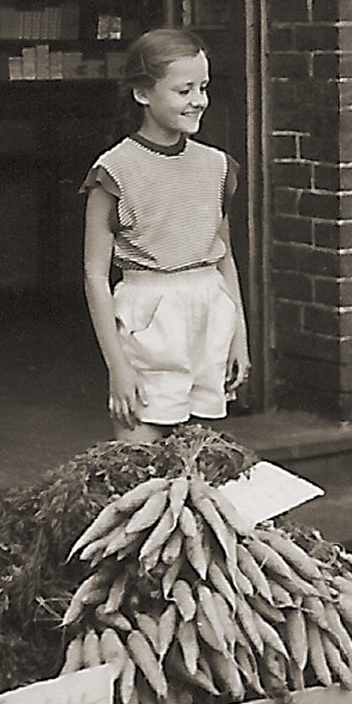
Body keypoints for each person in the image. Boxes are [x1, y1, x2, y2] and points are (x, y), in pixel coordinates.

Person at [82, 27, 250, 439]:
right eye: (183, 90)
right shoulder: (115, 170)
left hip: (209, 314)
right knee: (139, 456)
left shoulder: (216, 166)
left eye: (203, 87)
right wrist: (118, 368)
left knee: (198, 461)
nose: (198, 100)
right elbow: (94, 275)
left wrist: (238, 337)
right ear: (143, 94)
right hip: (150, 321)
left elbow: (223, 256)